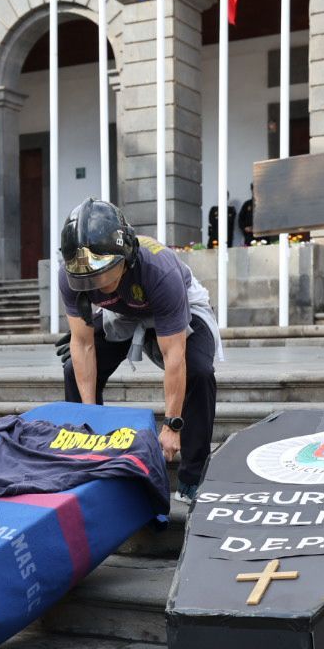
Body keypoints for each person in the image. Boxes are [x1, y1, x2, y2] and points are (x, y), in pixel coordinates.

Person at [58, 198, 221, 504]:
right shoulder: (71, 275)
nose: (96, 285)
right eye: (88, 280)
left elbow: (174, 356)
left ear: (125, 256)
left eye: (104, 276)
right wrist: (88, 417)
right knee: (72, 368)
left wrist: (173, 425)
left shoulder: (159, 270)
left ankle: (192, 477)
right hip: (121, 313)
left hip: (179, 306)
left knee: (199, 371)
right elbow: (82, 343)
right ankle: (90, 455)